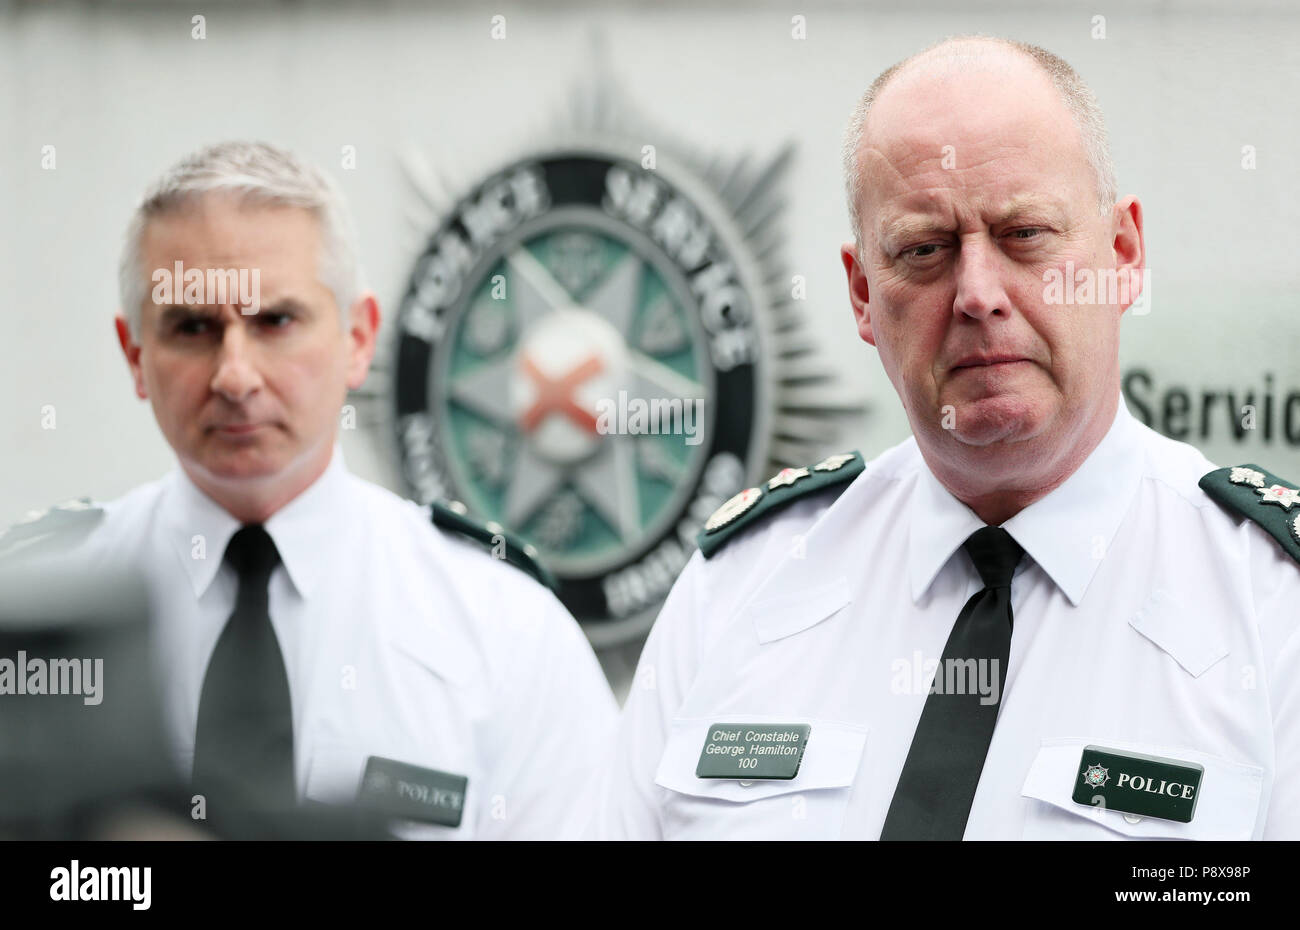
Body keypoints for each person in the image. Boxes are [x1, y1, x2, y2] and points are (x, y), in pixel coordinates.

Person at [589, 36, 1300, 840]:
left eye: (1025, 234)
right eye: (924, 251)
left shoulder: (1272, 610)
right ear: (862, 295)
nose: (977, 294)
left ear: (1123, 256)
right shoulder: (742, 591)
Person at [0, 141, 617, 839]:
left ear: (359, 337)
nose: (235, 376)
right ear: (135, 353)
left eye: (275, 322)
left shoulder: (506, 633)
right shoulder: (40, 627)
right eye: (194, 328)